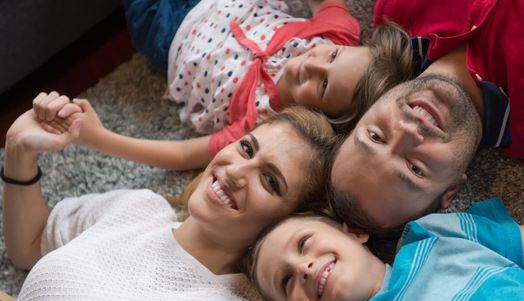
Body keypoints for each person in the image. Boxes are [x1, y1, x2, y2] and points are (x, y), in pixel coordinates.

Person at [0, 103, 334, 301]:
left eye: (270, 181)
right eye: (246, 148)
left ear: (289, 222)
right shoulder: (138, 208)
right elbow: (29, 246)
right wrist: (18, 151)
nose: (235, 172)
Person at [42, 0, 412, 170]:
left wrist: (97, 137)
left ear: (318, 116)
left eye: (323, 86)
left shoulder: (269, 123)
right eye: (330, 57)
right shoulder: (338, 33)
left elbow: (187, 155)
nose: (310, 64)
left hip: (166, 34)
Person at [329, 0, 523, 235]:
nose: (408, 131)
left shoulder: (394, 14)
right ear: (451, 190)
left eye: (376, 136)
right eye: (415, 168)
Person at [249, 200, 524, 301]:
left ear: (355, 233)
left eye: (303, 243)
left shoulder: (431, 234)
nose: (302, 268)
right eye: (286, 282)